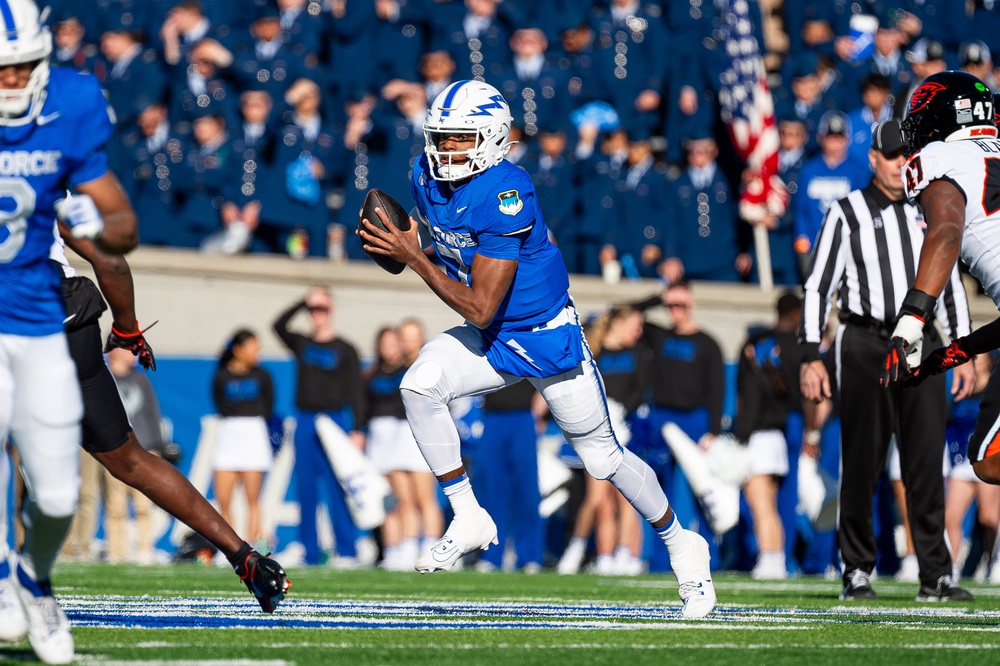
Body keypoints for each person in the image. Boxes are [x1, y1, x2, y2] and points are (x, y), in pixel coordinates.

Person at [358, 80, 714, 618]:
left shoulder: (509, 190)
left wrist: (414, 256)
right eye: (442, 138)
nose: (447, 151)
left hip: (543, 335)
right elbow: (451, 249)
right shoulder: (424, 176)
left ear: (494, 138)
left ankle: (682, 546)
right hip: (492, 336)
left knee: (603, 459)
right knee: (418, 385)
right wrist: (412, 245)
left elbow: (479, 303)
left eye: (460, 139)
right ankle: (468, 513)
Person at [50, 223, 288, 614]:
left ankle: (26, 581)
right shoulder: (52, 167)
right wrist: (127, 328)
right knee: (130, 458)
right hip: (64, 314)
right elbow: (110, 259)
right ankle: (244, 557)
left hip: (17, 315)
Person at [0, 2, 137, 661]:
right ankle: (3, 575)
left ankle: (33, 573)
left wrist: (95, 220)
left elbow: (122, 232)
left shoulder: (73, 101)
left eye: (22, 68)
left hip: (39, 320)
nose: (12, 83)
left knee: (55, 496)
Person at [801, 119, 975, 602]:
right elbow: (818, 285)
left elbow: (951, 284)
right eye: (892, 155)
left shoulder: (930, 207)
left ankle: (935, 574)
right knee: (862, 460)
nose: (901, 163)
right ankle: (856, 568)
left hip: (922, 342)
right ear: (873, 158)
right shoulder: (847, 212)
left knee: (925, 462)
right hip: (867, 342)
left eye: (907, 155)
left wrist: (962, 348)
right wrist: (810, 353)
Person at [885, 71, 1000, 494]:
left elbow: (946, 231)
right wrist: (956, 352)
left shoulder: (940, 157)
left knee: (989, 460)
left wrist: (912, 320)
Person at [272, 286, 366, 566]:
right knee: (306, 487)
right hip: (305, 418)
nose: (317, 315)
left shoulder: (346, 349)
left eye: (322, 309)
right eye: (313, 310)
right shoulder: (302, 343)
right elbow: (277, 326)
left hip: (334, 420)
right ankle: (309, 550)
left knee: (338, 486)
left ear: (332, 310)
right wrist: (303, 301)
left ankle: (346, 550)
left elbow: (356, 391)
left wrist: (358, 428)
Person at [363, 326, 442, 571]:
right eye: (404, 339)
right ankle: (405, 549)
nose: (406, 344)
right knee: (403, 500)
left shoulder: (429, 364)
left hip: (420, 432)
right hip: (398, 433)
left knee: (424, 498)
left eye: (411, 339)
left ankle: (433, 548)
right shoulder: (395, 371)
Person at [212, 329, 275, 553]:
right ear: (238, 349)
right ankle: (228, 548)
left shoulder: (263, 376)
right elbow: (219, 403)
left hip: (253, 433)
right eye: (252, 347)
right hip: (230, 433)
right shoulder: (222, 376)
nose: (257, 352)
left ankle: (251, 549)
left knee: (252, 499)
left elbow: (268, 406)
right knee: (224, 498)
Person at [103, 347, 162, 564]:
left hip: (142, 449)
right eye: (129, 350)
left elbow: (152, 413)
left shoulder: (141, 380)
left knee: (143, 505)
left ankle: (145, 549)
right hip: (113, 449)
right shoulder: (103, 379)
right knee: (115, 505)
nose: (135, 355)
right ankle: (116, 551)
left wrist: (157, 446)